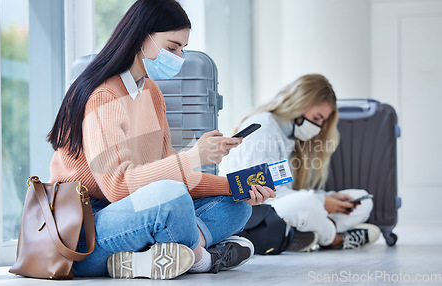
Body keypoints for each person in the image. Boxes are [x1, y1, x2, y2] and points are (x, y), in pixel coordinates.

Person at [47, 0, 275, 280]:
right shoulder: (103, 96)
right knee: (171, 198)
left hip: (137, 215)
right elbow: (117, 187)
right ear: (142, 36)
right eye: (171, 47)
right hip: (87, 232)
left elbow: (168, 175)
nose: (178, 57)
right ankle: (202, 258)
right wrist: (194, 157)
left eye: (182, 49)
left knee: (237, 207)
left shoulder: (151, 93)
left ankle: (147, 259)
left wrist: (236, 186)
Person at [220, 74, 380, 251]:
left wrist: (328, 199)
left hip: (281, 208)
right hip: (254, 211)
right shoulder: (264, 128)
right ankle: (334, 239)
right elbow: (262, 194)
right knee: (308, 203)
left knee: (362, 199)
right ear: (300, 104)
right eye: (317, 117)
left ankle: (305, 234)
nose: (319, 126)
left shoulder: (288, 134)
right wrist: (320, 201)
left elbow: (286, 192)